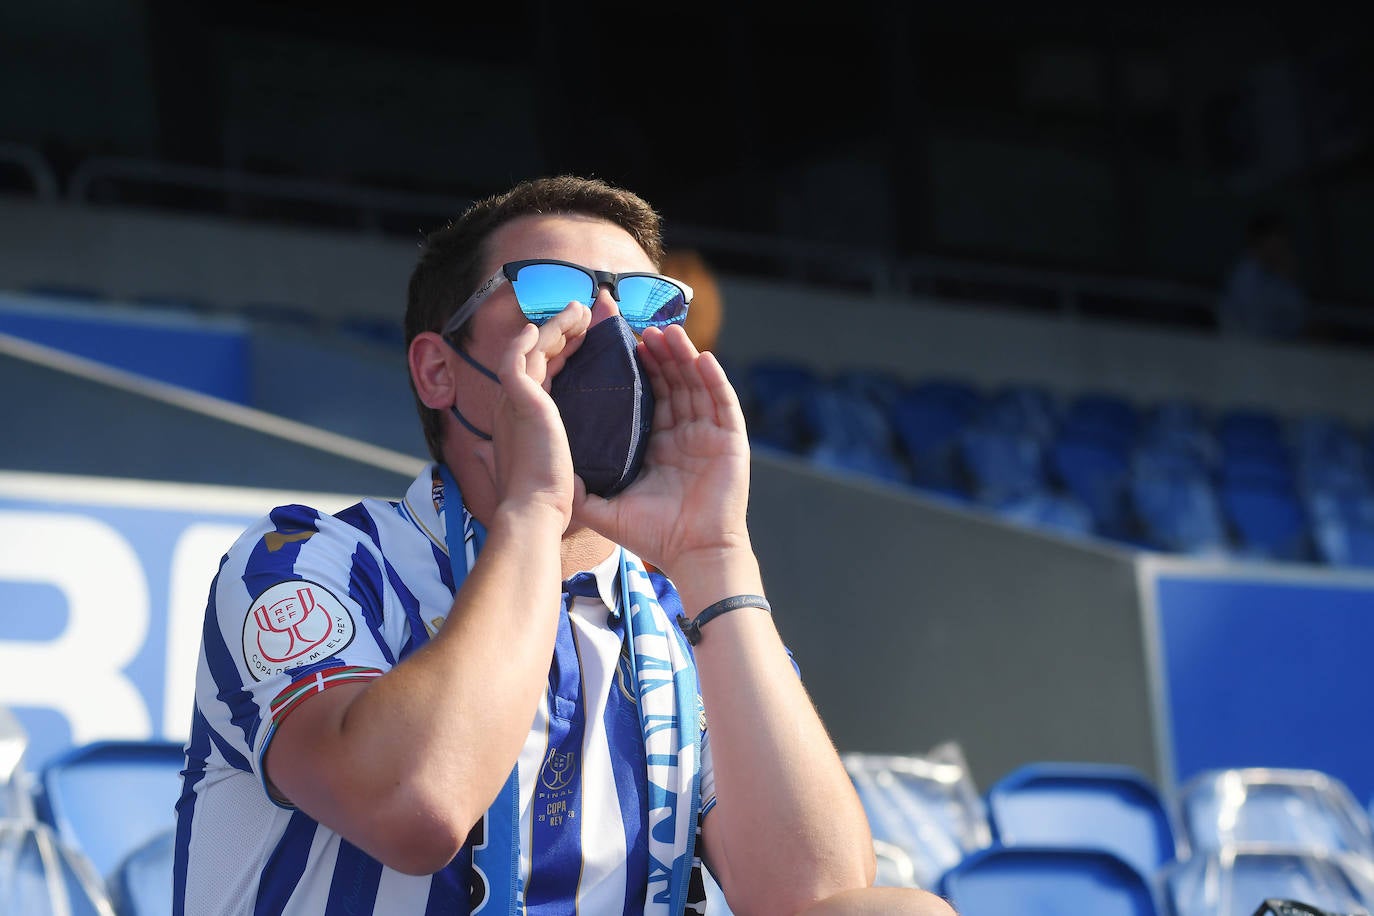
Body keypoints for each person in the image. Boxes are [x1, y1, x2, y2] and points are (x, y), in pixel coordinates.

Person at [174, 175, 955, 916]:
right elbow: (412, 806)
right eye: (553, 295)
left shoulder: (687, 615)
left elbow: (815, 894)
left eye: (644, 304)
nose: (608, 328)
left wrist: (716, 557)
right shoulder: (306, 561)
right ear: (439, 371)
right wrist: (533, 510)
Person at [1216, 211, 1308, 341]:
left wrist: (1286, 280)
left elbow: (1297, 319)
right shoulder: (1243, 275)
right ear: (1260, 240)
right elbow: (1254, 321)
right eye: (1277, 237)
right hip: (1243, 345)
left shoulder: (1282, 276)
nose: (1282, 245)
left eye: (1284, 238)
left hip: (1279, 347)